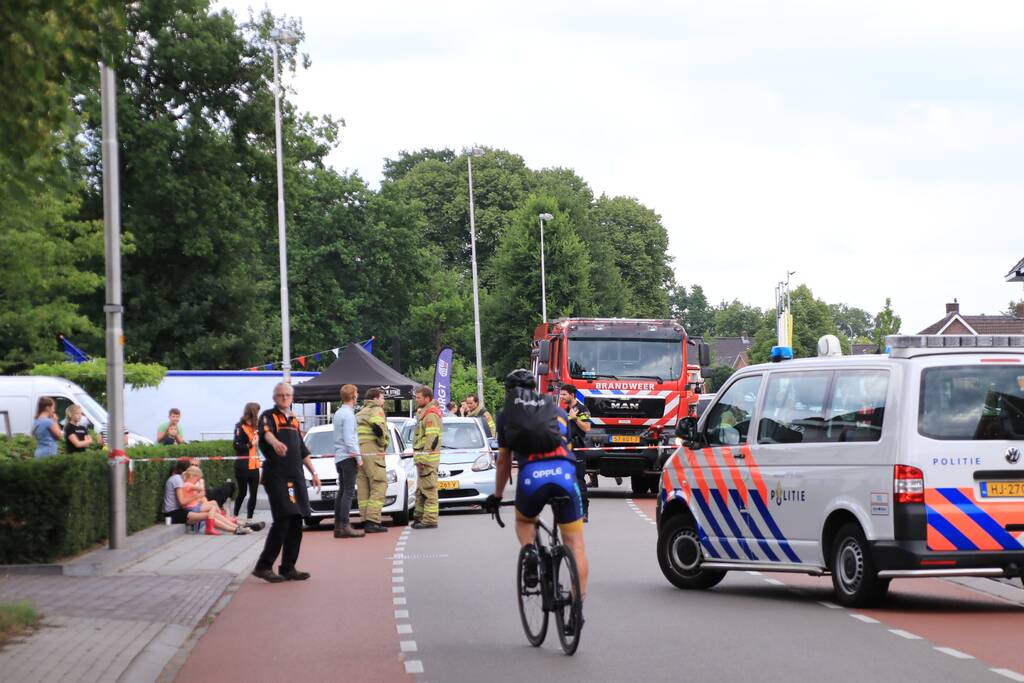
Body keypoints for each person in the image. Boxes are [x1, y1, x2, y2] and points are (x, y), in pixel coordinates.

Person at [484, 369, 589, 632]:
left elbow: (504, 461)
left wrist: (497, 496)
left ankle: (530, 551)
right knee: (575, 545)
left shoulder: (507, 414)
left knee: (524, 520)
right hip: (565, 473)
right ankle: (576, 609)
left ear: (510, 391)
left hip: (532, 475)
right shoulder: (557, 409)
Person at [252, 382, 321, 582]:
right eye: (280, 395)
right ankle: (263, 566)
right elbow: (267, 433)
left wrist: (314, 472)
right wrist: (275, 443)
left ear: (292, 398)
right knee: (284, 518)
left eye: (287, 395)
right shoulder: (268, 415)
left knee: (296, 520)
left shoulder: (294, 420)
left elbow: (301, 450)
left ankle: (288, 567)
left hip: (295, 476)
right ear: (275, 398)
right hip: (277, 476)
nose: (284, 398)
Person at [356, 387, 389, 534]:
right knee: (379, 484)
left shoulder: (359, 413)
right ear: (375, 398)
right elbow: (378, 428)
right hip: (373, 450)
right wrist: (383, 443)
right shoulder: (376, 410)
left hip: (359, 452)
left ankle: (364, 519)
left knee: (363, 487)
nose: (383, 401)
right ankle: (373, 520)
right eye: (382, 398)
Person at [332, 384, 364, 538]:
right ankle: (345, 525)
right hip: (348, 456)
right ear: (353, 396)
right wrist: (358, 458)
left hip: (339, 456)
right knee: (349, 492)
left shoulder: (338, 413)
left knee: (343, 490)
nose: (357, 396)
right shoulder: (349, 415)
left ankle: (338, 525)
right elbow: (349, 439)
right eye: (356, 393)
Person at [559, 384, 592, 522]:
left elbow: (587, 428)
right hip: (566, 450)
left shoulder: (582, 409)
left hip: (577, 450)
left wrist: (575, 418)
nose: (561, 397)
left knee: (579, 481)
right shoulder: (564, 409)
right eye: (560, 395)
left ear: (572, 395)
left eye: (564, 394)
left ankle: (584, 511)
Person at [411, 386, 443, 529]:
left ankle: (430, 519)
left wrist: (423, 458)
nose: (416, 400)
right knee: (421, 489)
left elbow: (432, 439)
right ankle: (419, 517)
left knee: (429, 490)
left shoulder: (430, 415)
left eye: (418, 398)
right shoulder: (424, 413)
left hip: (427, 460)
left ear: (427, 398)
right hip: (422, 459)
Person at [232, 402, 261, 520]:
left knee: (254, 494)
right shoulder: (240, 427)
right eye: (257, 411)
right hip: (243, 466)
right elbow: (236, 445)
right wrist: (250, 444)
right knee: (242, 493)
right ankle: (235, 515)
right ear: (253, 412)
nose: (258, 414)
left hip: (254, 465)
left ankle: (250, 518)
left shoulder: (257, 427)